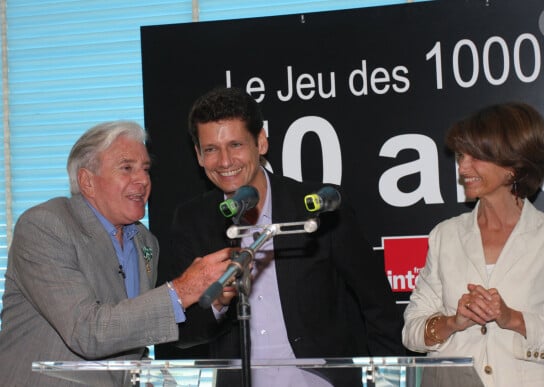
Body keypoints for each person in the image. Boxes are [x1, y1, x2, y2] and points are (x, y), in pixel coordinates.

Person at [155, 86, 405, 386]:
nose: (224, 161)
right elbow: (181, 335)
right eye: (211, 149)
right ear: (198, 155)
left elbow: (378, 305)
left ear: (261, 142)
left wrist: (387, 381)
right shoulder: (191, 221)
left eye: (235, 145)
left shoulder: (317, 205)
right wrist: (219, 304)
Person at [0, 121, 232, 386]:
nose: (143, 180)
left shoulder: (145, 242)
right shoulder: (45, 226)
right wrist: (180, 291)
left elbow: (131, 339)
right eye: (126, 168)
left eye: (145, 169)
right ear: (87, 181)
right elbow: (87, 331)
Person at [402, 102, 544, 386]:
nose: (462, 166)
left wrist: (513, 319)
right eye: (461, 155)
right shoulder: (445, 235)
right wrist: (453, 322)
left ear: (513, 167)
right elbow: (411, 330)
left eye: (477, 156)